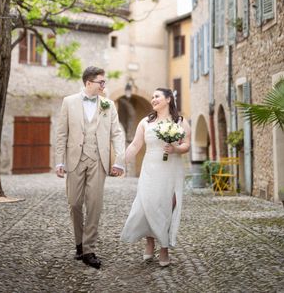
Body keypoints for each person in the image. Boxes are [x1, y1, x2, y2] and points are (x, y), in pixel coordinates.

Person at [56, 66, 125, 269]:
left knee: (94, 204)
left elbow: (117, 133)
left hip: (98, 160)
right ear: (88, 83)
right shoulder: (68, 102)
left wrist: (119, 160)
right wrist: (60, 161)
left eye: (104, 82)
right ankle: (79, 242)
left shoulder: (108, 105)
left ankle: (88, 249)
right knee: (74, 203)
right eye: (101, 82)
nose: (104, 85)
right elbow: (62, 134)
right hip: (75, 159)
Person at [121, 88, 191, 267]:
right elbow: (136, 145)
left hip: (172, 170)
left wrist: (175, 149)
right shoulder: (145, 122)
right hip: (150, 169)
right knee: (148, 205)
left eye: (157, 96)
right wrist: (120, 162)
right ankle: (150, 241)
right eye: (152, 97)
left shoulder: (180, 122)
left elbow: (187, 145)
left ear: (168, 99)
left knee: (168, 206)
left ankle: (164, 247)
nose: (153, 99)